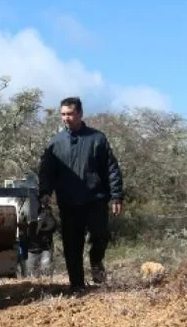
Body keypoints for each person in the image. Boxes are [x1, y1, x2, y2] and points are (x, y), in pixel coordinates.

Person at [36, 96, 123, 293]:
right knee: (72, 245)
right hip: (69, 202)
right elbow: (46, 171)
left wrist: (116, 195)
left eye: (70, 114)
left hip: (95, 199)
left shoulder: (97, 139)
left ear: (80, 114)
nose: (66, 118)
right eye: (63, 114)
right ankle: (77, 285)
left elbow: (112, 169)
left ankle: (96, 261)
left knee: (101, 236)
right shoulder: (55, 143)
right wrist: (45, 192)